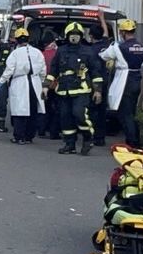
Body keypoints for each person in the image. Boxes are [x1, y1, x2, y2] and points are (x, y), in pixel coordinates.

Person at [45, 22, 103, 155]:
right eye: (72, 34)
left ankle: (88, 138)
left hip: (81, 90)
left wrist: (98, 91)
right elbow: (53, 70)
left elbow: (96, 73)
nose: (74, 37)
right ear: (67, 36)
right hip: (64, 90)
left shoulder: (88, 51)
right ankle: (69, 144)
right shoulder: (61, 50)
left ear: (81, 36)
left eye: (77, 35)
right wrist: (45, 87)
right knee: (65, 117)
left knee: (79, 114)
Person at [99, 19, 143, 148]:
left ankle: (133, 142)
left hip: (124, 81)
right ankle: (135, 139)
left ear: (122, 32)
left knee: (125, 113)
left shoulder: (118, 47)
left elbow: (103, 56)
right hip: (137, 79)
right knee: (132, 111)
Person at [0, 28, 46, 144]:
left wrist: (2, 81)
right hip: (35, 84)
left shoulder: (15, 53)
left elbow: (9, 70)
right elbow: (43, 70)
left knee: (20, 112)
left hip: (20, 83)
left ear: (17, 40)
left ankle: (19, 136)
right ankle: (29, 136)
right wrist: (42, 82)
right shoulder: (37, 52)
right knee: (32, 111)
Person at [86, 15, 112, 146]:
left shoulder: (90, 51)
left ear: (90, 36)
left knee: (92, 110)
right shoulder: (107, 45)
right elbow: (106, 32)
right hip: (106, 81)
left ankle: (91, 135)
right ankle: (100, 138)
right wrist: (102, 18)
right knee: (102, 111)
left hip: (94, 83)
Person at [37, 31, 61, 140]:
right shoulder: (58, 53)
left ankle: (41, 130)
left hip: (43, 84)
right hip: (56, 85)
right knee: (55, 110)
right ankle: (54, 133)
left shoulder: (41, 54)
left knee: (43, 108)